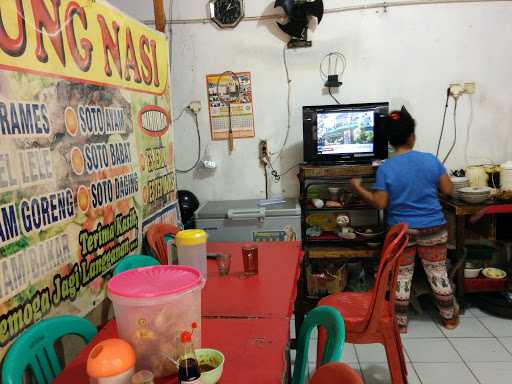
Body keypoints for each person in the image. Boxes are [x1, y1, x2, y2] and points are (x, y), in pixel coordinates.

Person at [350, 107, 458, 332]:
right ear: (412, 136)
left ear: (390, 141)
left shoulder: (386, 168)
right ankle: (449, 318)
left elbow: (380, 203)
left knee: (401, 276)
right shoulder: (430, 160)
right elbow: (448, 190)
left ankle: (399, 324)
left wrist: (358, 188)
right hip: (434, 229)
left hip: (402, 231)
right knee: (437, 272)